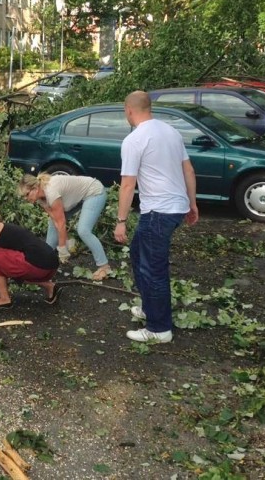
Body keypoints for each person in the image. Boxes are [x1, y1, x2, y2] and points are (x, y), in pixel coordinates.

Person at [114, 91, 199, 344]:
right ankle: (151, 307)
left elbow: (128, 184)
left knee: (153, 270)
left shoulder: (134, 139)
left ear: (129, 110)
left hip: (158, 213)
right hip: (173, 208)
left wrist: (120, 221)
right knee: (138, 253)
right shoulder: (170, 131)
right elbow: (189, 169)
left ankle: (159, 328)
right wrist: (192, 204)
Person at [18, 173, 111, 280]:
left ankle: (104, 267)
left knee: (83, 230)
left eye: (26, 194)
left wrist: (62, 249)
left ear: (35, 188)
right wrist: (66, 240)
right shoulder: (40, 198)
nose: (25, 198)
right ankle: (44, 261)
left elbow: (61, 224)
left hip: (93, 192)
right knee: (53, 224)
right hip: (76, 197)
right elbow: (55, 220)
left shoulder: (51, 192)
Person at [0, 206, 61, 307]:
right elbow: (7, 264)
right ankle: (50, 286)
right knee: (0, 259)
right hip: (51, 267)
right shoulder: (4, 228)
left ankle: (4, 298)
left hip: (37, 266)